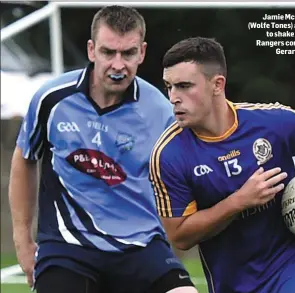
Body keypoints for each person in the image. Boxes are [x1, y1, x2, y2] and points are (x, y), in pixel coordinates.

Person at [8, 5, 198, 293]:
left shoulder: (162, 110)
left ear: (142, 53)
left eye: (128, 53)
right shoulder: (51, 99)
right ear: (91, 50)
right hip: (67, 247)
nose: (118, 65)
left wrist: (172, 251)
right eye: (109, 52)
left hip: (141, 246)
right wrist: (23, 241)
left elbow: (179, 183)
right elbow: (25, 159)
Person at [149, 36, 295, 293]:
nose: (173, 97)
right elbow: (180, 236)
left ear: (217, 84)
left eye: (184, 86)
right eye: (169, 87)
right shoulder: (168, 154)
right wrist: (238, 202)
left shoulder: (272, 122)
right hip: (233, 281)